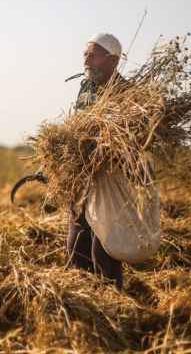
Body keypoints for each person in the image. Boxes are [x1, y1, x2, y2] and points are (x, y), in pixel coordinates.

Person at [66, 33, 126, 289]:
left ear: (112, 60)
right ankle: (79, 295)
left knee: (102, 246)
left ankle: (111, 298)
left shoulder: (125, 94)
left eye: (93, 55)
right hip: (80, 176)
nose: (86, 60)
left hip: (107, 179)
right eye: (85, 55)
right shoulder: (86, 87)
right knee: (76, 240)